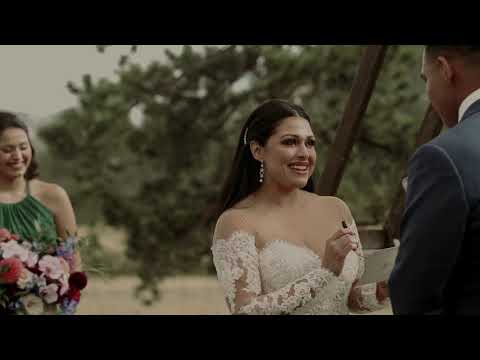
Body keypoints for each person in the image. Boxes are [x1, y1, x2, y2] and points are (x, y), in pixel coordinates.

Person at [210, 99, 389, 315]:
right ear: (258, 150)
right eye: (290, 142)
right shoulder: (236, 222)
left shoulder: (336, 209)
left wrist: (379, 292)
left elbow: (347, 296)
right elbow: (245, 310)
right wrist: (324, 273)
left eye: (310, 143)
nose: (304, 153)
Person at [389, 46, 480, 315]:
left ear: (445, 69)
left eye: (426, 79)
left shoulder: (442, 158)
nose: (428, 93)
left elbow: (413, 297)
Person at [0, 111, 82, 309]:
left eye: (23, 147)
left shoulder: (54, 196)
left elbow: (74, 266)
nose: (18, 156)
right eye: (7, 149)